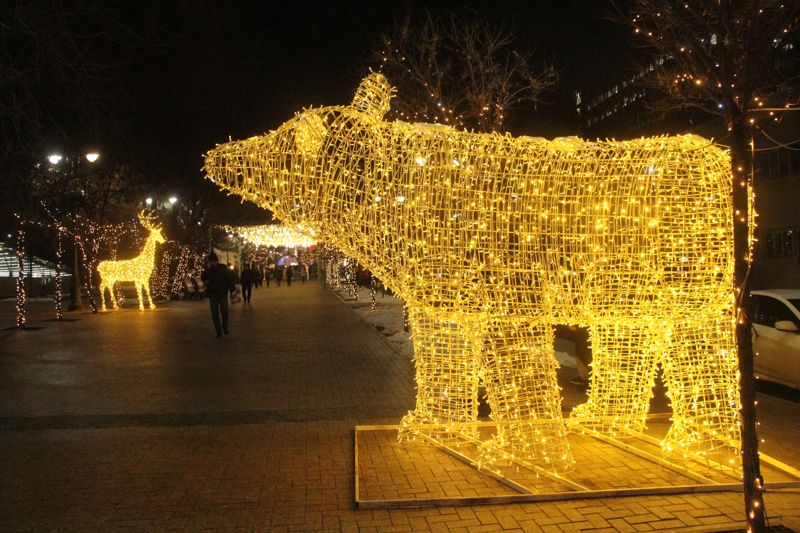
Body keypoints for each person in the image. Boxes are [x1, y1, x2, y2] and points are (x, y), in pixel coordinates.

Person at [201, 252, 235, 337]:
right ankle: (218, 331)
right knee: (214, 313)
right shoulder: (209, 269)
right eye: (211, 261)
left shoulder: (223, 268)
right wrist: (207, 269)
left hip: (223, 292)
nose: (213, 263)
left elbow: (229, 279)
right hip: (213, 293)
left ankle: (224, 324)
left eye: (214, 261)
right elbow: (203, 278)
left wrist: (232, 290)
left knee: (225, 311)